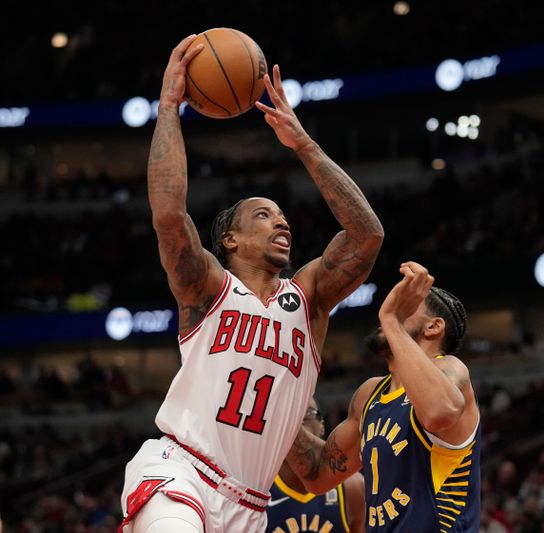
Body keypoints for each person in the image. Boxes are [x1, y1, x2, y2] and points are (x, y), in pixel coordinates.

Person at [119, 35, 383, 533]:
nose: (282, 223)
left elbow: (368, 237)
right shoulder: (207, 289)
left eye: (284, 217)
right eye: (264, 216)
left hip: (249, 508)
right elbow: (170, 215)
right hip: (181, 475)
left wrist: (303, 143)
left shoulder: (307, 301)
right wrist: (169, 107)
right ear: (231, 241)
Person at [284, 261, 480, 532]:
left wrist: (392, 320)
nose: (391, 308)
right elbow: (318, 474)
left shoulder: (449, 368)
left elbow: (439, 411)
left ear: (433, 327)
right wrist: (273, 404)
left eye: (406, 305)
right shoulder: (370, 394)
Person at [267, 398, 365, 533]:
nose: (296, 422)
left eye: (306, 413)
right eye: (288, 415)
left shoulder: (351, 486)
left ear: (322, 425)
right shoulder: (257, 486)